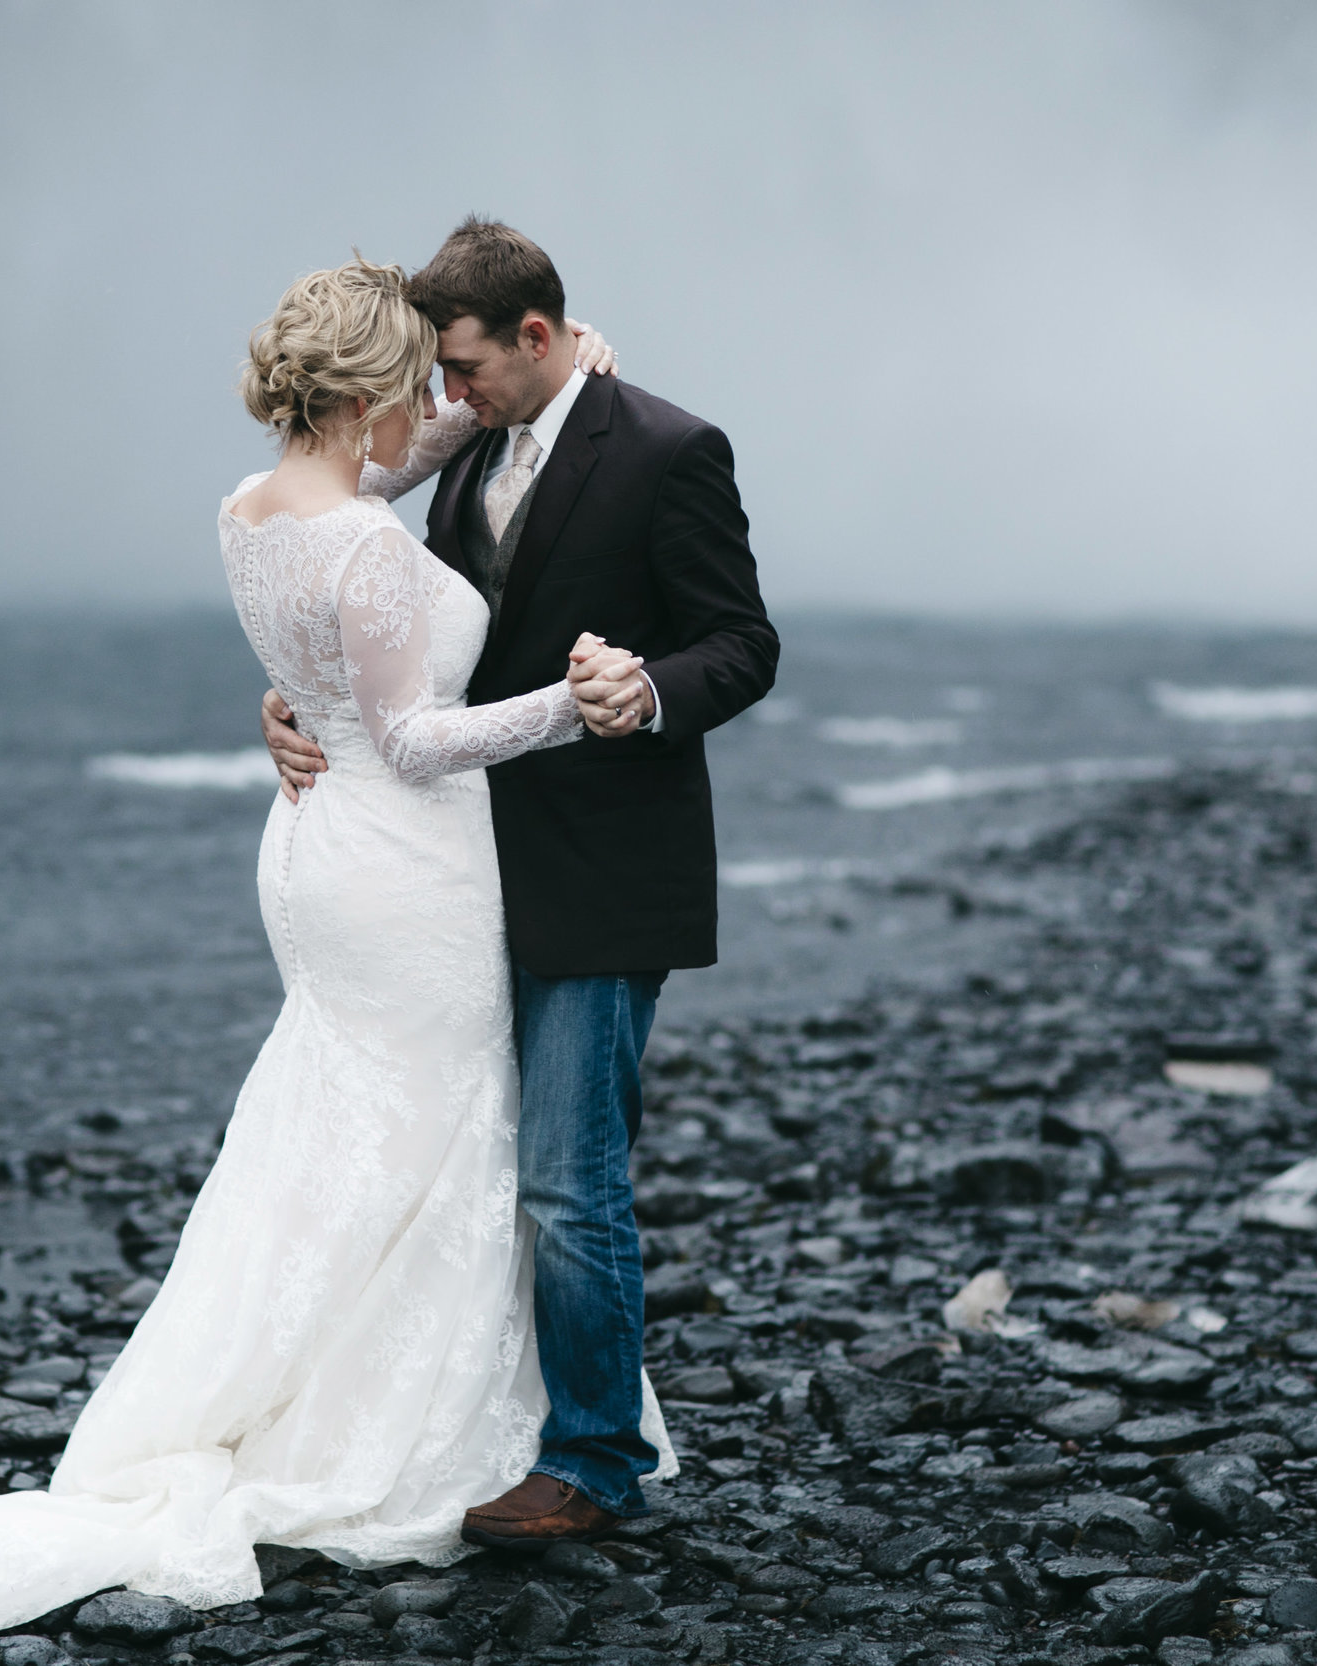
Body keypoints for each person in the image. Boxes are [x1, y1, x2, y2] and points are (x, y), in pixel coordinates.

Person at [0, 257, 649, 1646]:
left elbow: (361, 563)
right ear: (364, 395)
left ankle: (276, 1376)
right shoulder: (356, 540)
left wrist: (572, 368)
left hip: (311, 850)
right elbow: (412, 738)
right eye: (415, 385)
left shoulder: (253, 510)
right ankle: (393, 1422)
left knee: (336, 1116)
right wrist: (568, 706)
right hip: (403, 861)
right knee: (436, 1123)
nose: (436, 404)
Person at [263, 217, 779, 1546]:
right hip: (463, 871)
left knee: (566, 1177)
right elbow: (390, 627)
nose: (446, 394)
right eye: (436, 373)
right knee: (483, 1167)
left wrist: (651, 688)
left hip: (606, 870)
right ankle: (492, 1426)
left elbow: (744, 644)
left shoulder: (670, 450)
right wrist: (295, 696)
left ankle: (594, 1460)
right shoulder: (469, 447)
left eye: (465, 366)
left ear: (538, 336)